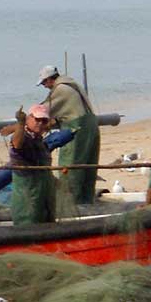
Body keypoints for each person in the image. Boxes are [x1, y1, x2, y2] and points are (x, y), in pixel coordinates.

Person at [38, 64, 101, 204]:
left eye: (43, 82)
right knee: (88, 166)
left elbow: (42, 110)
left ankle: (72, 204)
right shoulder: (72, 84)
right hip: (91, 126)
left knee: (71, 167)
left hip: (77, 129)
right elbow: (67, 109)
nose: (44, 86)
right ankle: (87, 200)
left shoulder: (60, 89)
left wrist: (24, 120)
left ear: (49, 79)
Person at [8, 104, 56, 225]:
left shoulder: (40, 141)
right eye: (37, 119)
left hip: (45, 198)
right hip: (28, 199)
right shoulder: (24, 137)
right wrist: (20, 123)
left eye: (43, 121)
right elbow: (17, 144)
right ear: (29, 119)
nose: (40, 123)